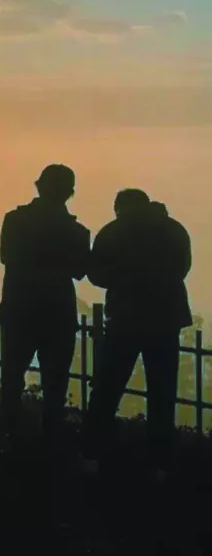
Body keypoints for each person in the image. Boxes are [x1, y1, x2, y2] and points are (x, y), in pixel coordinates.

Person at [81, 189, 192, 480]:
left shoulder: (114, 231)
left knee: (106, 390)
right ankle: (159, 462)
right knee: (162, 393)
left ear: (120, 207)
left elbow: (97, 275)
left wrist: (124, 280)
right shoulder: (173, 229)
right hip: (165, 321)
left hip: (125, 320)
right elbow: (183, 267)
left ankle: (94, 453)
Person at [0, 165, 90, 455]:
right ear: (70, 192)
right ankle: (50, 440)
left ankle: (12, 437)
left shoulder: (14, 220)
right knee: (56, 381)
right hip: (58, 313)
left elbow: (6, 257)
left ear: (39, 186)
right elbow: (79, 270)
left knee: (12, 377)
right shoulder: (76, 231)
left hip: (18, 308)